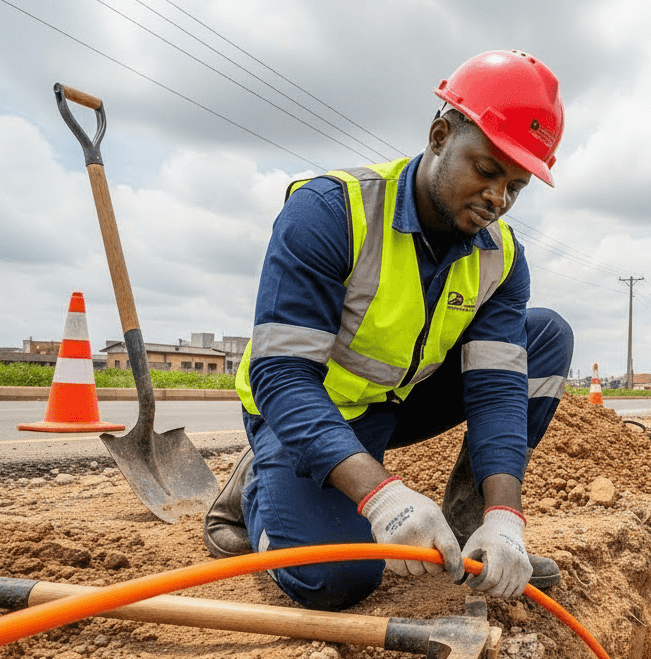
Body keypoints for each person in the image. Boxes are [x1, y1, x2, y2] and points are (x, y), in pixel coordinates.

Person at [203, 50, 574, 609]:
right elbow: (280, 374)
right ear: (440, 135)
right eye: (487, 170)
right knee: (338, 579)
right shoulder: (330, 212)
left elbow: (497, 388)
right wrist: (381, 498)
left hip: (393, 402)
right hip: (305, 409)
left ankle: (470, 531)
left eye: (515, 186)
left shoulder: (502, 256)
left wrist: (505, 516)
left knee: (545, 336)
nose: (498, 199)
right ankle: (259, 486)